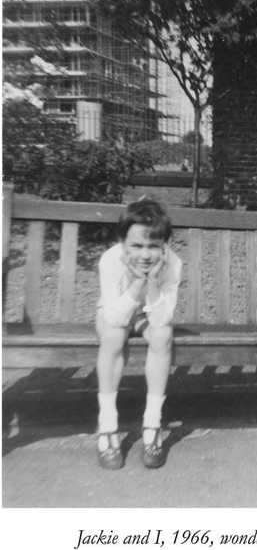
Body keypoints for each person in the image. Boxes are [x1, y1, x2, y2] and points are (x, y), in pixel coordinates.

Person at [95, 198, 182, 470]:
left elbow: (161, 317)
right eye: (136, 245)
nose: (145, 255)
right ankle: (107, 423)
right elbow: (115, 316)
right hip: (116, 309)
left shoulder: (173, 264)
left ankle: (152, 423)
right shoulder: (110, 260)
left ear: (164, 246)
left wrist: (153, 283)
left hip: (148, 313)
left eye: (154, 246)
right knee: (113, 336)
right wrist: (136, 285)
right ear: (122, 242)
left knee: (162, 336)